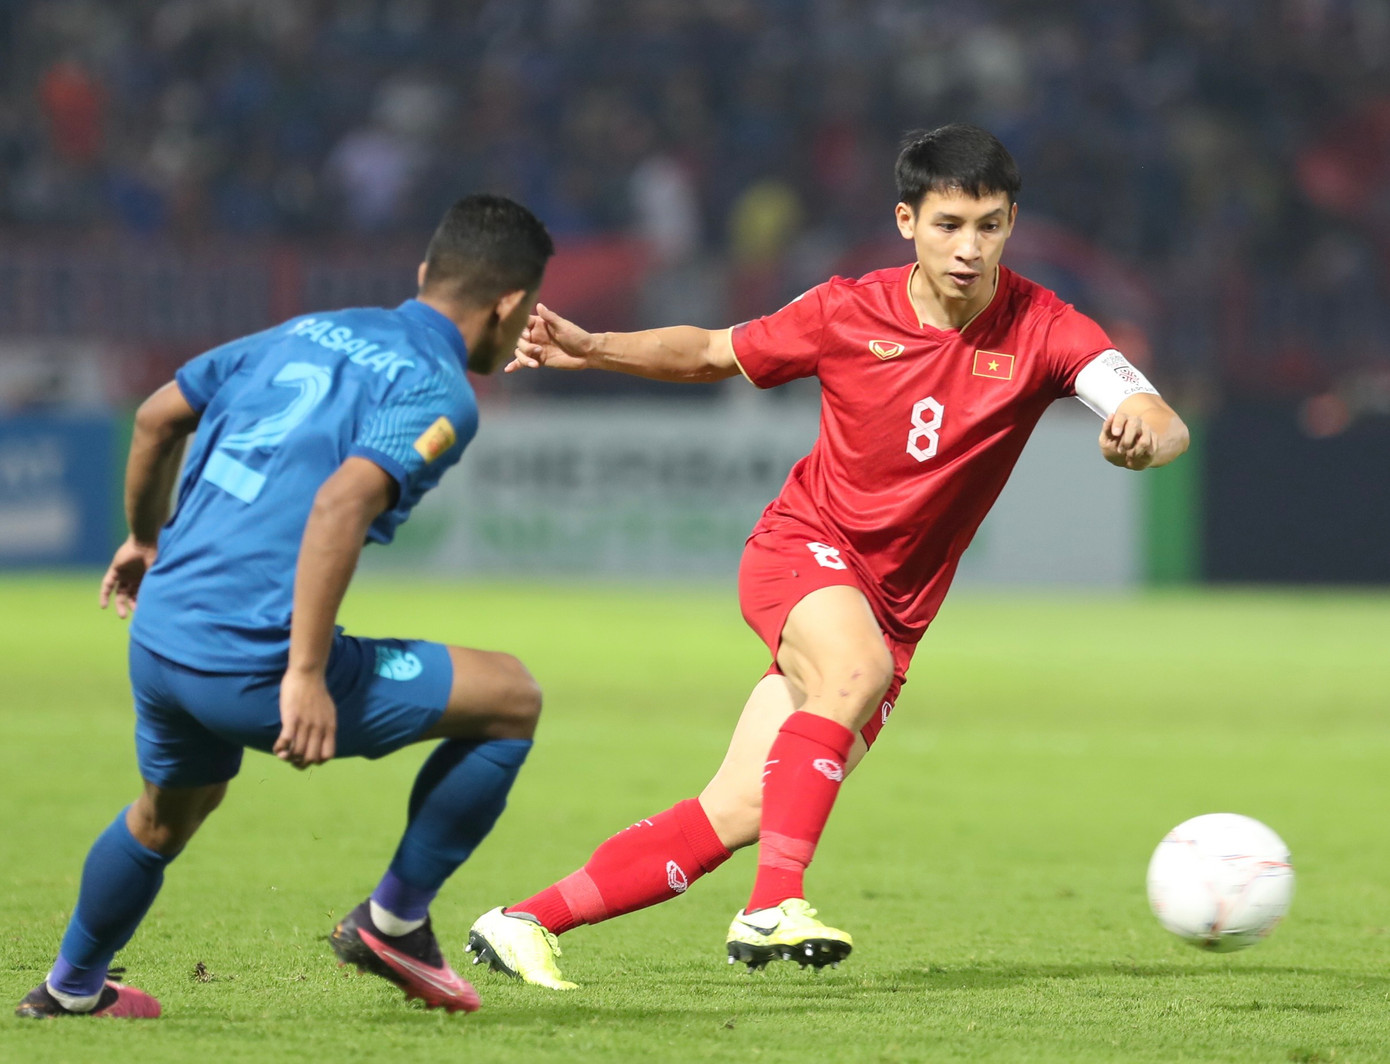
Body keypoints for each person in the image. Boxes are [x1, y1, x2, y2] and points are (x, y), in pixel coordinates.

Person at [463, 124, 1190, 988]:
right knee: (854, 672)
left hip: (895, 610)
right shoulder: (849, 309)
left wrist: (1146, 433)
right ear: (906, 222)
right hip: (803, 550)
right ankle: (774, 906)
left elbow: (1159, 414)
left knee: (735, 809)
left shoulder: (1044, 324)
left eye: (989, 226)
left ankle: (520, 923)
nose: (969, 248)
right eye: (949, 224)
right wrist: (592, 347)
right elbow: (710, 351)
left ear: (1011, 224)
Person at [15, 194, 555, 1019]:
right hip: (254, 659)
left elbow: (159, 416)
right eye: (524, 320)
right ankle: (394, 922)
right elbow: (342, 506)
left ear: (423, 276)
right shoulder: (438, 388)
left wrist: (141, 539)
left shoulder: (305, 329)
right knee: (511, 698)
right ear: (508, 303)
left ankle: (70, 989)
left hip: (159, 636)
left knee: (166, 816)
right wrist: (304, 672)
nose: (518, 338)